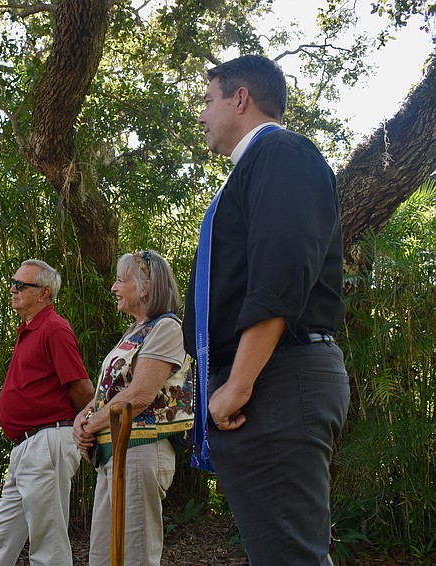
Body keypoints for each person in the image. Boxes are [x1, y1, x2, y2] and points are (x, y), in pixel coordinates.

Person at [183, 55, 350, 564]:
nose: (201, 114)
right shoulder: (255, 168)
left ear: (240, 98)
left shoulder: (281, 153)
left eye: (208, 100)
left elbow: (280, 273)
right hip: (266, 383)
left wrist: (238, 384)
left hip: (275, 380)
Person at [73, 250, 191, 566]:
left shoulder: (167, 328)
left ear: (146, 287)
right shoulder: (136, 330)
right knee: (103, 556)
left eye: (121, 280)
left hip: (140, 448)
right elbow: (110, 391)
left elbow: (138, 395)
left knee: (134, 556)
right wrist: (82, 418)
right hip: (115, 453)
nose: (113, 287)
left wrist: (90, 422)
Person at [0, 259, 94, 566]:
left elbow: (81, 389)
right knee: (0, 535)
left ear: (43, 294)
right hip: (26, 447)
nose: (12, 290)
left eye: (20, 285)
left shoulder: (54, 328)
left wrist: (89, 428)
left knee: (48, 543)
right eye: (13, 283)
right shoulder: (29, 329)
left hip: (48, 441)